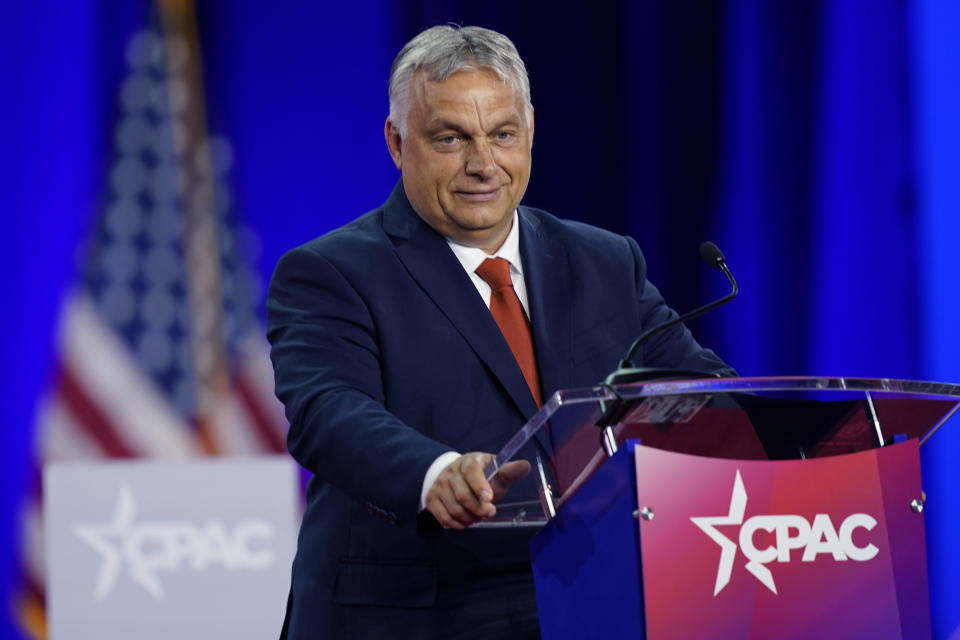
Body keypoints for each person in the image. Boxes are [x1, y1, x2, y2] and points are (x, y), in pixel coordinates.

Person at [267, 25, 732, 640]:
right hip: (410, 613)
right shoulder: (332, 272)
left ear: (531, 132)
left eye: (503, 134)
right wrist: (436, 473)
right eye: (450, 138)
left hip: (584, 604)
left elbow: (698, 386)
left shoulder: (603, 260)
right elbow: (330, 413)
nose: (483, 164)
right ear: (397, 141)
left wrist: (777, 431)